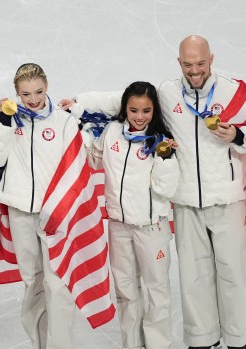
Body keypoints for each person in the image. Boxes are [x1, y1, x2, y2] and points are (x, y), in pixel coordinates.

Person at [64, 35, 246, 349]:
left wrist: (238, 134)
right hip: (185, 204)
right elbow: (123, 100)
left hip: (229, 201)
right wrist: (78, 102)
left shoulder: (235, 91)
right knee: (193, 280)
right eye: (188, 64)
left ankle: (237, 342)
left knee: (233, 276)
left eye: (200, 63)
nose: (194, 70)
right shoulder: (168, 93)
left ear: (211, 58)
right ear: (179, 63)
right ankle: (202, 341)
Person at [0, 63, 98, 349]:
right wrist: (3, 122)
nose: (33, 99)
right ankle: (40, 344)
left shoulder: (63, 122)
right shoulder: (9, 120)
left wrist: (59, 208)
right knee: (33, 284)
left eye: (38, 92)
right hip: (21, 212)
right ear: (16, 93)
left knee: (58, 286)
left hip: (57, 215)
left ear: (47, 87)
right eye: (25, 94)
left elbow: (74, 169)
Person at [83, 81, 178, 349]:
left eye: (146, 111)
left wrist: (165, 157)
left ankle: (158, 345)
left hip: (151, 229)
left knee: (156, 290)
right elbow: (93, 159)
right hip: (118, 226)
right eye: (133, 110)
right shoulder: (113, 131)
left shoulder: (160, 140)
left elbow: (166, 188)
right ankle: (132, 344)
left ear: (154, 111)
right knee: (125, 291)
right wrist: (82, 132)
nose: (139, 117)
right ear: (125, 108)